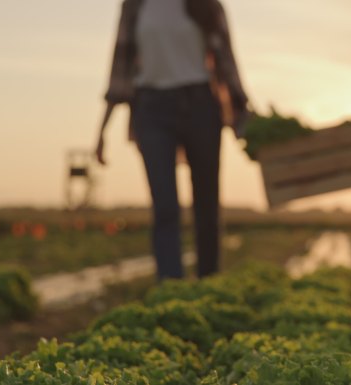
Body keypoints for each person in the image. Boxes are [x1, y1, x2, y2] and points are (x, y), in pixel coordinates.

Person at [95, 0, 248, 280]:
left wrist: (244, 118)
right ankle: (170, 287)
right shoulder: (135, 6)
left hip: (201, 104)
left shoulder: (208, 6)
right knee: (164, 207)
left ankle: (209, 284)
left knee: (207, 206)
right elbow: (120, 68)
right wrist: (102, 130)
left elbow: (227, 63)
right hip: (151, 107)